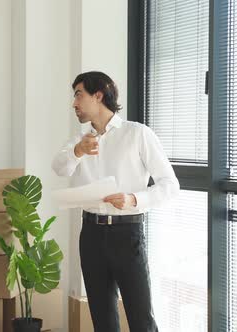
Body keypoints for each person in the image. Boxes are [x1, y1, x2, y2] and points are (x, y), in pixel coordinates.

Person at [52, 71, 179, 332]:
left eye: (78, 94)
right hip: (91, 235)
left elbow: (170, 185)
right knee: (103, 320)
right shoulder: (80, 139)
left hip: (127, 233)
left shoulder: (137, 134)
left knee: (141, 319)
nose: (74, 103)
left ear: (98, 95)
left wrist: (134, 199)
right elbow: (60, 168)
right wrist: (78, 151)